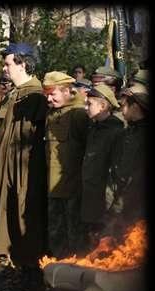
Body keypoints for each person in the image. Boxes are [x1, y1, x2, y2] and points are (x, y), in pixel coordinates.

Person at [0, 42, 48, 291]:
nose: (5, 68)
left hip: (25, 171)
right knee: (9, 218)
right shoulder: (14, 93)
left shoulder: (35, 94)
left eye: (8, 63)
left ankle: (32, 278)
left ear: (23, 63)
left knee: (27, 219)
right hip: (8, 169)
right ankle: (20, 273)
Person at [42, 71, 90, 258]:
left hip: (72, 189)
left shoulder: (78, 114)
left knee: (75, 237)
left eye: (53, 94)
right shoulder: (52, 113)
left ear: (66, 91)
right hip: (54, 188)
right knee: (56, 236)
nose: (49, 98)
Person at [81, 84, 125, 246]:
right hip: (90, 198)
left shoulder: (116, 132)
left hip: (104, 203)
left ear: (103, 106)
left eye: (89, 104)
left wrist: (109, 207)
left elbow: (115, 171)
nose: (85, 107)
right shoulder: (94, 129)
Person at [111, 85, 148, 224]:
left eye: (124, 105)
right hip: (122, 202)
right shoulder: (127, 132)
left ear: (136, 107)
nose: (121, 109)